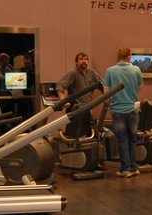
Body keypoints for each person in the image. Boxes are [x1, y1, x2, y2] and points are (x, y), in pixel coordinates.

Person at [103, 47, 143, 177]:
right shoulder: (136, 70)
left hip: (117, 110)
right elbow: (139, 88)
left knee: (122, 140)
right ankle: (133, 168)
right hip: (133, 109)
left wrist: (108, 103)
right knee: (133, 140)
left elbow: (106, 93)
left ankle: (125, 169)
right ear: (129, 56)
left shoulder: (110, 71)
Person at [58, 52, 103, 137]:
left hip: (87, 108)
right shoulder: (73, 73)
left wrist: (106, 97)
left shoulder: (91, 73)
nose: (84, 61)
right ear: (76, 62)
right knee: (75, 135)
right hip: (75, 108)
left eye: (86, 59)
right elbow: (60, 86)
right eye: (81, 59)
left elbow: (102, 85)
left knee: (90, 134)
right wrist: (63, 101)